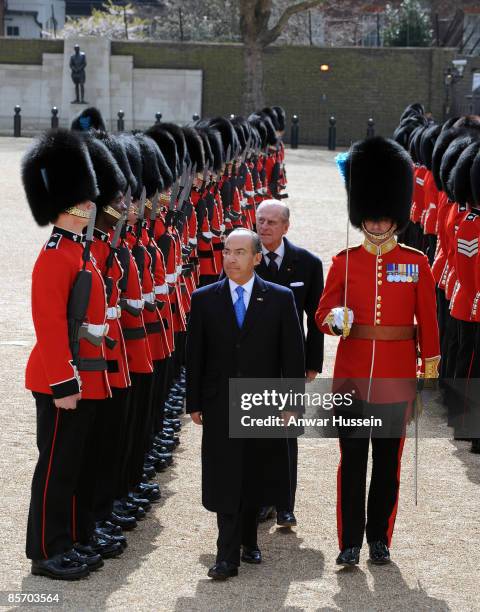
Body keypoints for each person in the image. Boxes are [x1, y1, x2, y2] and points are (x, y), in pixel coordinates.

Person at [316, 136, 440, 567]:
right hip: (352, 376)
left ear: (396, 217)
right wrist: (336, 319)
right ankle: (349, 541)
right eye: (371, 216)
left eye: (385, 217)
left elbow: (428, 320)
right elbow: (322, 314)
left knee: (387, 465)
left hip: (396, 377)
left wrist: (429, 371)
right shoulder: (343, 262)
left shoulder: (416, 263)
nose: (378, 224)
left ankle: (379, 539)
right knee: (352, 463)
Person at [186, 228, 305, 580]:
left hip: (262, 399)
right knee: (225, 474)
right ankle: (226, 555)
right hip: (220, 400)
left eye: (240, 253)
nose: (231, 259)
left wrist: (291, 403)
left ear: (256, 258)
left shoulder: (281, 299)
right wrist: (194, 401)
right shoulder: (205, 298)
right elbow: (195, 355)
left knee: (255, 470)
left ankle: (250, 539)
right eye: (227, 251)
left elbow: (292, 356)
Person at [22, 129, 114, 579]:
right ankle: (45, 550)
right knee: (56, 469)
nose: (90, 204)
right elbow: (50, 326)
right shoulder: (56, 256)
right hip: (60, 379)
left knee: (75, 467)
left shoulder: (80, 252)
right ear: (70, 203)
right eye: (83, 199)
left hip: (85, 374)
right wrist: (64, 382)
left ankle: (71, 538)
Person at [254, 199, 324, 528]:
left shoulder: (307, 263)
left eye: (271, 222)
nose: (264, 227)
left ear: (286, 226)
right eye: (260, 221)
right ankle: (259, 501)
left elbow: (317, 318)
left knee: (285, 434)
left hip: (290, 360)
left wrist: (313, 362)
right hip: (254, 360)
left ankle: (284, 504)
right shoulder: (245, 259)